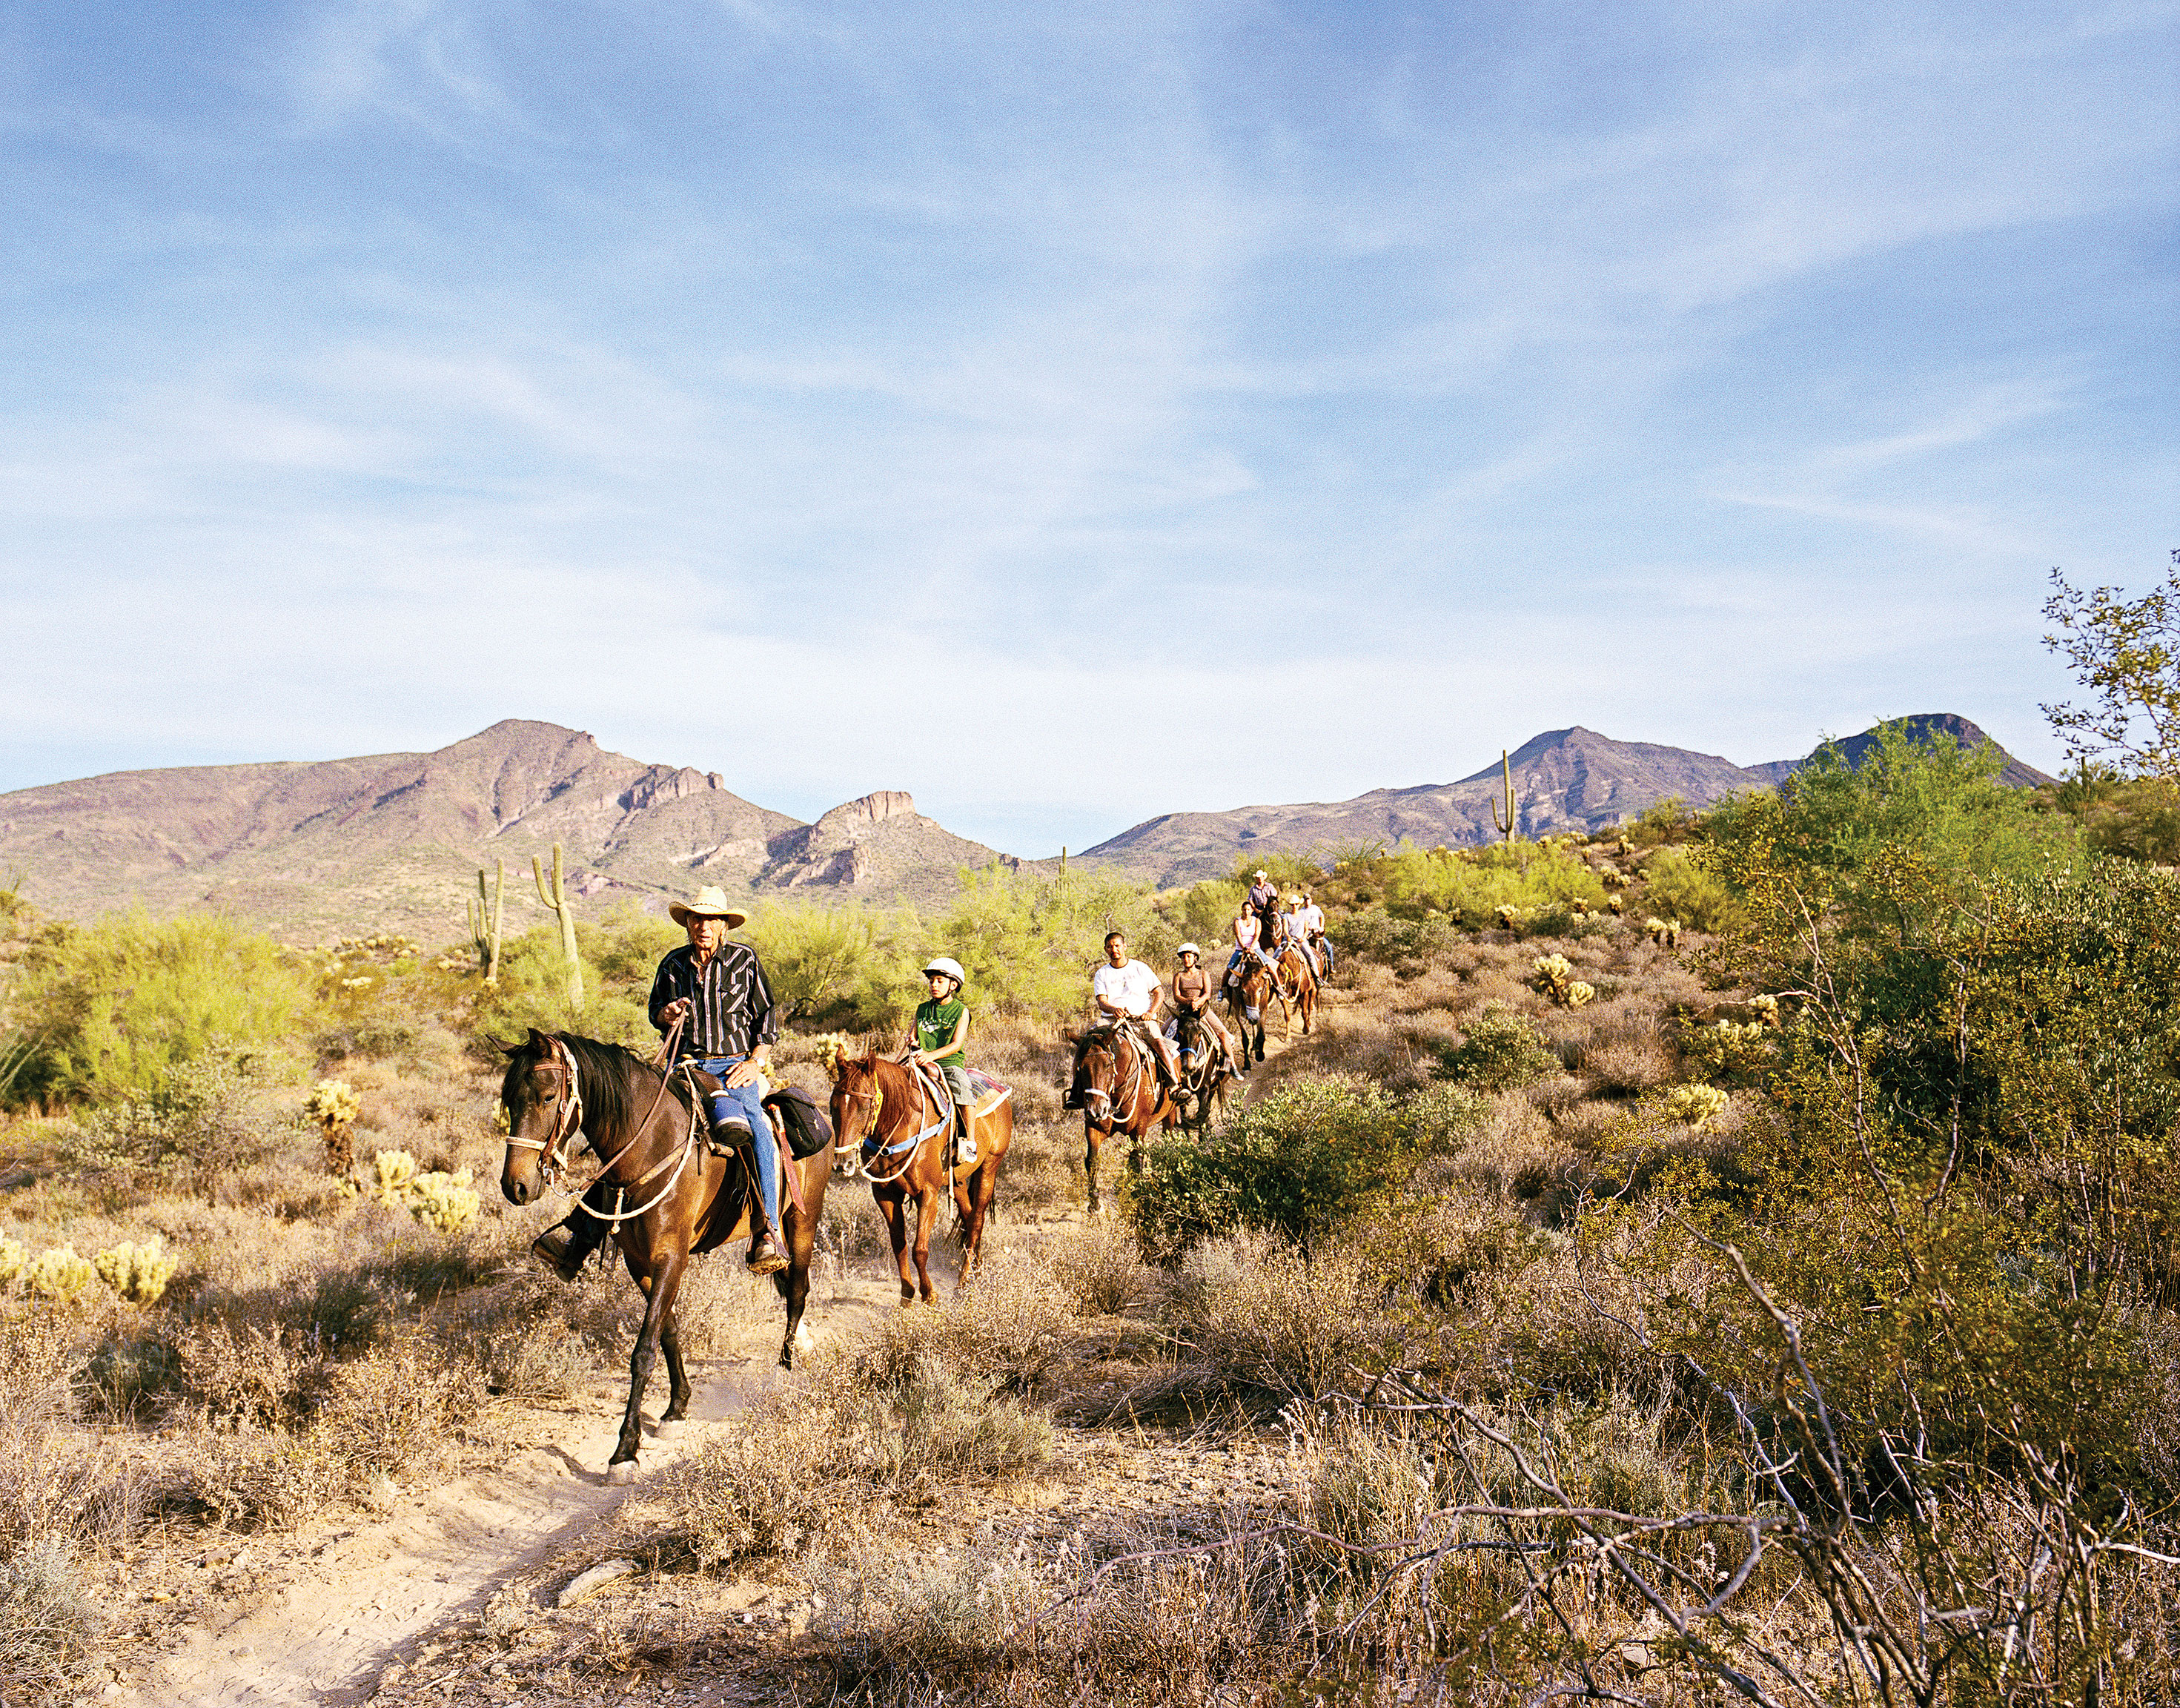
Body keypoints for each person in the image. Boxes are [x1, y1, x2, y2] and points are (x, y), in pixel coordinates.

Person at [529, 884, 786, 1280]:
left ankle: (768, 1228)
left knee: (756, 1127)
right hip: (682, 1066)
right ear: (687, 923)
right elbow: (654, 1010)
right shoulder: (673, 964)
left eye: (711, 919)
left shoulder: (744, 960)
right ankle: (582, 1233)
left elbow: (767, 1015)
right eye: (696, 918)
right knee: (635, 1132)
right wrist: (666, 1013)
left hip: (735, 1066)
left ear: (723, 926)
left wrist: (757, 1061)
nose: (703, 926)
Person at [1091, 931, 1182, 1092]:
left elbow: (1159, 992)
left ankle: (1175, 1085)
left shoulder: (1140, 967)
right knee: (1089, 1045)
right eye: (1110, 947)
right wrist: (1114, 1010)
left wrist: (1151, 1012)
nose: (1114, 950)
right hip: (1112, 1020)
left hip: (1141, 1019)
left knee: (1159, 1043)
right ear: (1105, 949)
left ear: (1124, 946)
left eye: (1117, 946)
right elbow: (1102, 1002)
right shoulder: (1102, 973)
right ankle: (1078, 1093)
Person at [910, 956, 977, 1165]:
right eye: (931, 981)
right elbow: (913, 1034)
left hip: (948, 1064)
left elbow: (956, 1044)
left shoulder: (961, 1011)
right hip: (921, 1061)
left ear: (953, 985)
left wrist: (931, 1055)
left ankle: (970, 1143)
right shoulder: (922, 1009)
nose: (934, 985)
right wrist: (912, 1042)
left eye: (939, 981)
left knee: (963, 1088)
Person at [1167, 943, 1244, 1077]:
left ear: (1195, 958)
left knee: (1223, 1034)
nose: (1186, 960)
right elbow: (1177, 996)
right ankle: (1163, 1070)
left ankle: (1232, 1065)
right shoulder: (1178, 976)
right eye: (1184, 957)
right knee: (1162, 1035)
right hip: (1183, 1011)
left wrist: (1199, 1002)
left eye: (1189, 957)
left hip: (1202, 1010)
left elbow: (1207, 993)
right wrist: (1189, 1002)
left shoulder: (1203, 974)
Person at [1246, 869, 1282, 953]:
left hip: (1270, 907)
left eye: (1261, 877)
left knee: (1282, 918)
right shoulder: (1253, 889)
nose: (1259, 879)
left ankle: (1284, 937)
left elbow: (1274, 897)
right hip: (1258, 907)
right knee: (1252, 923)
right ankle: (1252, 941)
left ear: (1264, 877)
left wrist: (1268, 902)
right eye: (1258, 878)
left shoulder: (1269, 886)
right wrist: (1255, 909)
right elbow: (1250, 899)